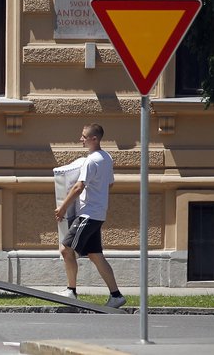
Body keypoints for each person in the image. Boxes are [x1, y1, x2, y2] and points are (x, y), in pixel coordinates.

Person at [53, 123, 126, 308]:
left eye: (84, 136)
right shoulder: (106, 158)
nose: (81, 139)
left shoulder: (91, 160)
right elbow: (109, 184)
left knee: (66, 250)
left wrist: (62, 208)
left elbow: (78, 187)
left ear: (95, 139)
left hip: (87, 214)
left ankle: (71, 291)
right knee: (95, 255)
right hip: (98, 213)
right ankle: (116, 296)